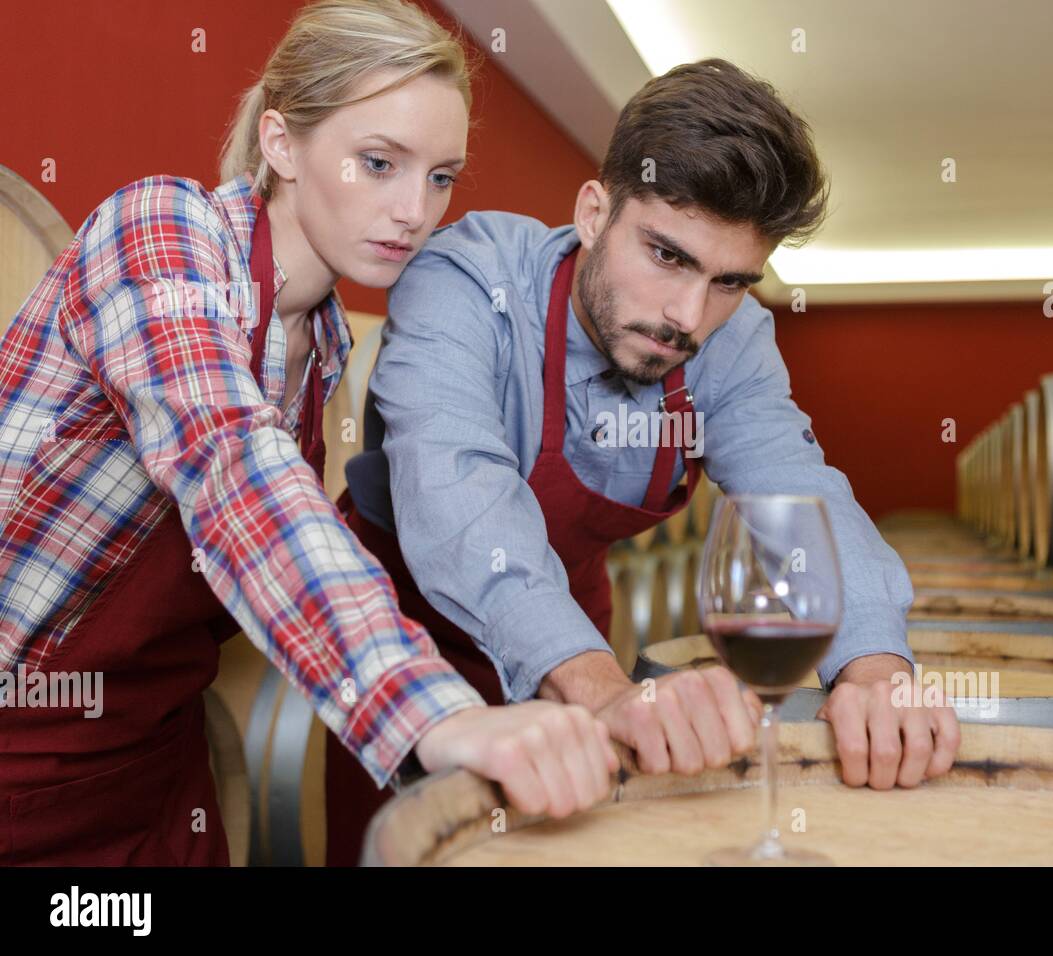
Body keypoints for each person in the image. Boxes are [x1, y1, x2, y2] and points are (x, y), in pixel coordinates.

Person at [0, 0, 616, 867]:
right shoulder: (161, 233)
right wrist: (436, 711)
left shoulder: (323, 346)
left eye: (441, 177)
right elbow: (233, 473)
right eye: (378, 163)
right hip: (22, 760)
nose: (414, 211)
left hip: (158, 765)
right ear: (282, 145)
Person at [332, 57, 961, 859]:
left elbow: (797, 489)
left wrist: (874, 668)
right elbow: (459, 492)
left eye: (729, 280)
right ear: (594, 212)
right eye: (667, 256)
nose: (688, 317)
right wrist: (595, 691)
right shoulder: (468, 279)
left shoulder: (731, 338)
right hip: (402, 642)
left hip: (579, 626)